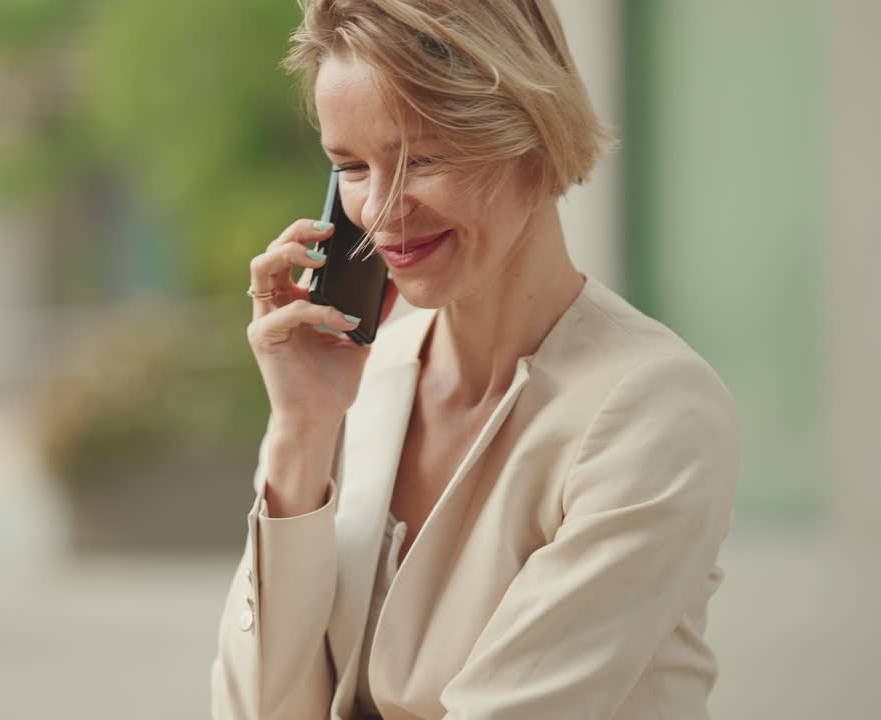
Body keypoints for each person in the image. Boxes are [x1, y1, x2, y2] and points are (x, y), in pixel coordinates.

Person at [210, 1, 741, 719]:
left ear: (532, 136)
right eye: (351, 166)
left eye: (424, 158)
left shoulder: (655, 411)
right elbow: (255, 709)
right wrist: (300, 432)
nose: (380, 212)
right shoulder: (358, 381)